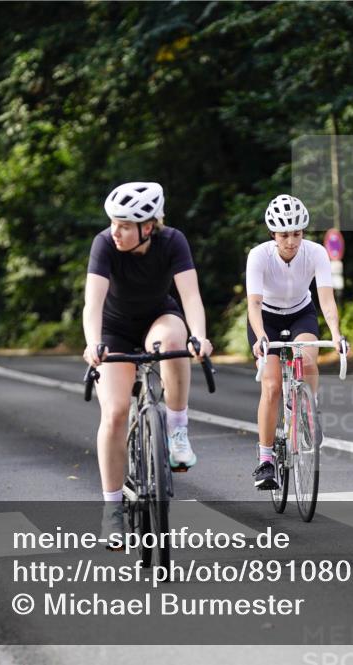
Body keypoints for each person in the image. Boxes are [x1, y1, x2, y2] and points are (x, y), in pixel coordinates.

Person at [82, 181, 213, 541]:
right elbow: (92, 304)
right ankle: (112, 509)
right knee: (116, 412)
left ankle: (177, 431)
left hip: (159, 318)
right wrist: (93, 344)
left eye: (125, 225)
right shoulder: (105, 244)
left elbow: (190, 296)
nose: (116, 231)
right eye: (114, 222)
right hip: (115, 330)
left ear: (149, 227)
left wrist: (198, 336)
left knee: (175, 339)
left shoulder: (173, 242)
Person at [246, 194, 348, 490]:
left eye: (297, 234)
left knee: (307, 356)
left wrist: (337, 334)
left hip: (301, 313)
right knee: (272, 385)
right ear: (272, 235)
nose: (291, 241)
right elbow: (253, 303)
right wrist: (261, 336)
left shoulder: (315, 253)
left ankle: (308, 410)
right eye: (284, 235)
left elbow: (326, 300)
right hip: (266, 318)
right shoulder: (259, 256)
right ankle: (266, 461)